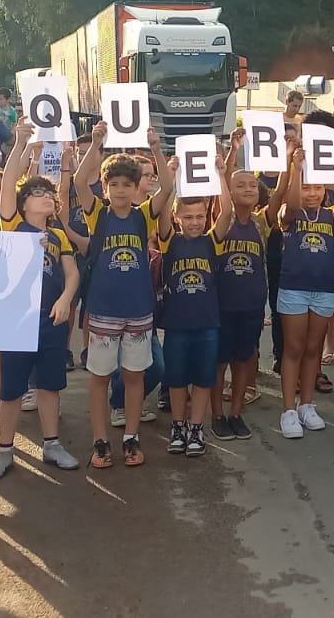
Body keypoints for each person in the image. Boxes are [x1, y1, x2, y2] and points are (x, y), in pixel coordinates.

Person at [72, 120, 171, 468]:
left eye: (127, 184)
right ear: (105, 186)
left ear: (137, 187)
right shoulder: (97, 213)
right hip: (103, 311)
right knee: (99, 378)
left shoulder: (143, 215)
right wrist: (96, 143)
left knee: (134, 377)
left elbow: (168, 186)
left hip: (139, 311)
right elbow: (78, 182)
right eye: (113, 184)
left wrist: (156, 149)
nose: (120, 190)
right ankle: (100, 440)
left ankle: (131, 436)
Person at [0, 134, 82, 479]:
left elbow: (72, 273)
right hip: (16, 320)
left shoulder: (58, 236)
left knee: (50, 386)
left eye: (50, 194)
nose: (48, 198)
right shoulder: (13, 225)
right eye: (38, 193)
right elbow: (10, 178)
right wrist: (22, 144)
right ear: (23, 203)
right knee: (12, 390)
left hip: (50, 321)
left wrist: (66, 298)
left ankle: (52, 445)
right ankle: (5, 450)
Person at [274, 141, 334, 439]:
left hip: (323, 291)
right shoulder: (290, 214)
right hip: (294, 289)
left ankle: (307, 405)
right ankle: (288, 410)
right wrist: (296, 169)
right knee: (293, 349)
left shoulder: (330, 215)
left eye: (317, 188)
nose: (312, 193)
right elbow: (290, 206)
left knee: (313, 350)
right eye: (306, 188)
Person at [159, 155, 233, 457]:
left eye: (200, 216)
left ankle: (196, 427)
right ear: (178, 217)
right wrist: (171, 177)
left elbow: (227, 212)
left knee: (204, 379)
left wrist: (221, 175)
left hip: (207, 324)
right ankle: (178, 426)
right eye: (188, 217)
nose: (194, 222)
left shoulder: (212, 241)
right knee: (177, 380)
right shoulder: (169, 241)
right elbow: (162, 211)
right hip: (176, 325)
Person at [213, 131, 279, 440]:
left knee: (243, 361)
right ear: (228, 190)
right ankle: (217, 414)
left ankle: (236, 412)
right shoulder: (221, 219)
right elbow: (225, 192)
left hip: (252, 305)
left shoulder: (261, 221)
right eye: (240, 185)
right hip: (222, 305)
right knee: (219, 363)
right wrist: (230, 156)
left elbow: (280, 195)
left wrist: (289, 161)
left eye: (253, 184)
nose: (248, 188)